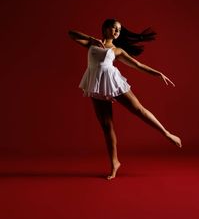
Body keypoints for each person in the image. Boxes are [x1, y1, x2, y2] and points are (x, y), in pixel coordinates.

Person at [68, 18, 182, 180]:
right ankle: (115, 162)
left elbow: (138, 65)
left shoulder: (117, 51)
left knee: (138, 110)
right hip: (96, 85)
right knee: (107, 125)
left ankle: (167, 133)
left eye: (119, 30)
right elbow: (71, 34)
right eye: (114, 28)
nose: (116, 32)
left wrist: (158, 73)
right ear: (106, 28)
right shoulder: (92, 44)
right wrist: (92, 38)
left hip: (113, 82)